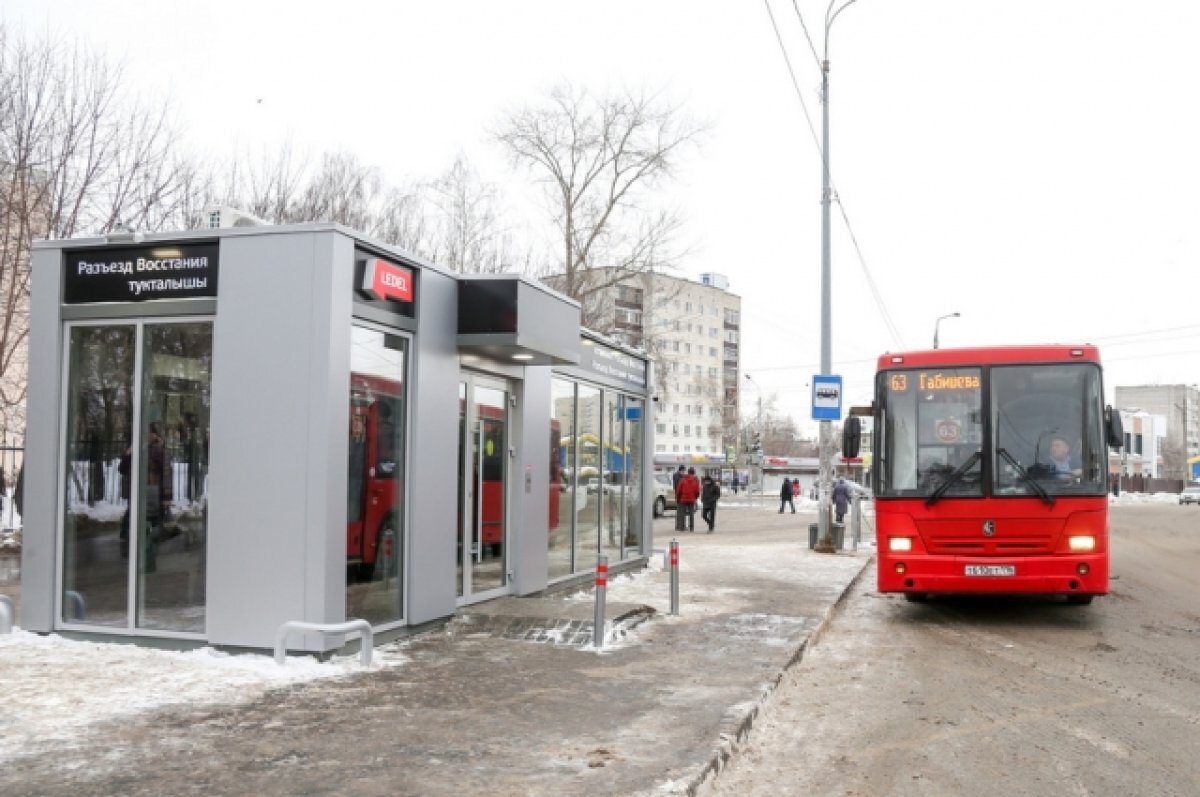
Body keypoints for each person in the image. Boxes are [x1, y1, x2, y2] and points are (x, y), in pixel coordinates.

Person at [675, 466, 701, 532]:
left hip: (683, 499)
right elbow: (697, 491)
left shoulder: (683, 479)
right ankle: (691, 528)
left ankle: (682, 528)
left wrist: (678, 498)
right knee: (691, 514)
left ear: (688, 472)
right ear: (694, 473)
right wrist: (695, 497)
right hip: (692, 499)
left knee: (682, 514)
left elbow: (679, 490)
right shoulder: (696, 480)